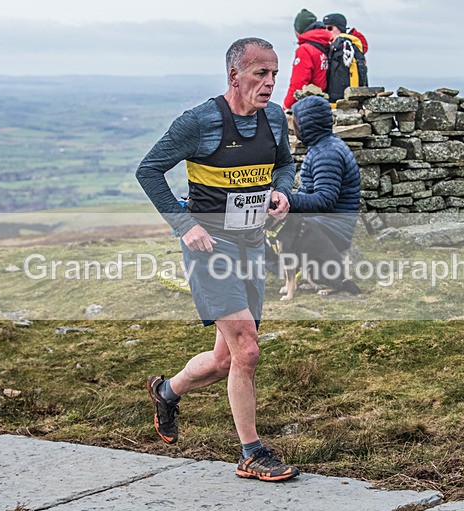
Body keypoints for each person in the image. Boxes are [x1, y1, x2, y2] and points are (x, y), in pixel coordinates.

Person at [136, 37, 300, 482]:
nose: (269, 83)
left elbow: (284, 164)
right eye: (260, 74)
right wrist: (185, 224)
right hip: (211, 248)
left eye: (274, 74)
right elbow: (148, 170)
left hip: (252, 245)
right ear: (234, 76)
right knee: (248, 349)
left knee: (227, 359)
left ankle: (167, 391)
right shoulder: (201, 122)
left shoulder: (274, 120)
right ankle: (251, 452)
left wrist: (282, 191)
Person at [282, 94, 361, 292]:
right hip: (326, 223)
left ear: (308, 124)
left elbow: (325, 200)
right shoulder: (323, 146)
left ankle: (326, 278)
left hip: (332, 228)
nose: (293, 125)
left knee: (279, 232)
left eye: (296, 120)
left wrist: (287, 201)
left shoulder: (327, 153)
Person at [282, 8, 332, 110]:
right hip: (324, 102)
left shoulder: (305, 50)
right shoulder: (324, 45)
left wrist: (286, 107)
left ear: (299, 30)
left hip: (309, 106)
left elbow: (298, 83)